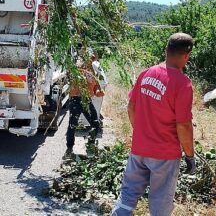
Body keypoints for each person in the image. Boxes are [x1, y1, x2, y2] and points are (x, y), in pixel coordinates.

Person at [112, 33, 196, 216]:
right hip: (164, 155)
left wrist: (142, 133)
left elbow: (131, 107)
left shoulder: (146, 73)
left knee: (127, 196)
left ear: (166, 50)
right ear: (186, 56)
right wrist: (190, 155)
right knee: (160, 204)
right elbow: (183, 125)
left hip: (139, 150)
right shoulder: (183, 84)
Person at [65, 60, 104, 157]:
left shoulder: (93, 74)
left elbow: (97, 89)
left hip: (86, 100)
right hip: (75, 100)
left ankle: (91, 145)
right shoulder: (76, 71)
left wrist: (99, 91)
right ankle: (69, 148)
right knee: (72, 125)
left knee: (95, 123)